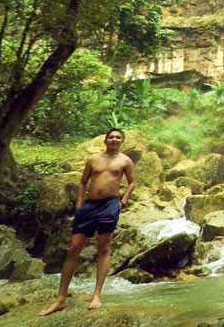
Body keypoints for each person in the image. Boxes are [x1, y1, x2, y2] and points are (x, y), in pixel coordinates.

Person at [39, 128, 136, 316]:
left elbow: (132, 182)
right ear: (105, 140)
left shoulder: (125, 161)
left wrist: (122, 202)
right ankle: (60, 299)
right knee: (74, 248)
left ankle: (97, 295)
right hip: (89, 206)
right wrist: (79, 205)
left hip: (110, 204)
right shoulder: (93, 160)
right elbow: (83, 182)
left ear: (121, 141)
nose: (114, 140)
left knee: (104, 248)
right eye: (111, 137)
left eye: (118, 137)